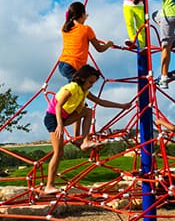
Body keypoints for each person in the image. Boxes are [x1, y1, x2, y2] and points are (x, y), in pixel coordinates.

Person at [43, 64, 131, 195]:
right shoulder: (71, 87)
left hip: (64, 117)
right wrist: (60, 125)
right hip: (53, 118)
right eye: (90, 82)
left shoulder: (84, 91)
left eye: (93, 83)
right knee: (59, 152)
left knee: (87, 111)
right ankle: (49, 186)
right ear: (83, 78)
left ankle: (85, 140)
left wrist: (121, 106)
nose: (91, 85)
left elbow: (101, 102)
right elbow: (58, 106)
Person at [58, 1, 114, 81]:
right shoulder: (86, 29)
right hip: (73, 65)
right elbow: (99, 49)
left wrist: (82, 18)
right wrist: (108, 44)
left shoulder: (65, 28)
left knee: (76, 88)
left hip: (62, 64)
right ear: (82, 14)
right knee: (80, 87)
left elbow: (75, 25)